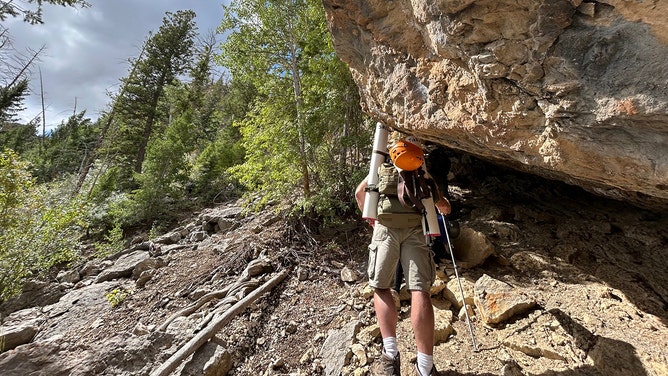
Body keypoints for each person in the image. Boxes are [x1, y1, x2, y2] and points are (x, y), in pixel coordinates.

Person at [355, 136, 451, 376]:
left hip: (385, 228)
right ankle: (425, 367)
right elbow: (441, 204)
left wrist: (373, 220)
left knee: (382, 286)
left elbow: (360, 193)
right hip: (415, 230)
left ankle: (390, 355)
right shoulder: (421, 171)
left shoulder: (382, 168)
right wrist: (444, 204)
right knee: (420, 290)